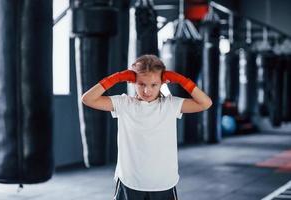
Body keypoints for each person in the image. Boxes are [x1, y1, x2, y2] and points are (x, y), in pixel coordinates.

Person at [81, 54, 212, 200]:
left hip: (163, 183)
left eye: (154, 84)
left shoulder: (170, 105)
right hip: (130, 181)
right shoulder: (124, 104)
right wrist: (117, 77)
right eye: (141, 84)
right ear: (133, 81)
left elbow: (205, 103)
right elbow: (87, 99)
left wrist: (181, 80)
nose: (147, 91)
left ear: (162, 83)